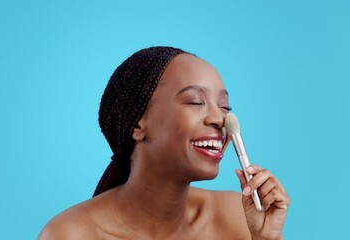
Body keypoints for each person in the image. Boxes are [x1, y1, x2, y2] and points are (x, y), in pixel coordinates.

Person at [38, 46, 290, 239]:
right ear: (138, 124)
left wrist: (267, 238)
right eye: (194, 101)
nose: (220, 119)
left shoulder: (238, 216)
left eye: (224, 106)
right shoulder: (70, 233)